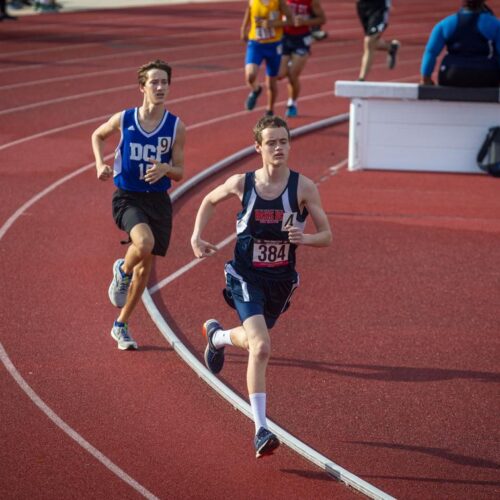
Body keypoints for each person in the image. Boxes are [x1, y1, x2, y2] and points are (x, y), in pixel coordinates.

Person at [191, 115, 332, 458]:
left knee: (255, 340)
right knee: (262, 347)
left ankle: (218, 337)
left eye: (283, 141)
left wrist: (307, 238)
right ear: (258, 148)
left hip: (280, 281)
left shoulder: (303, 187)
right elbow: (209, 200)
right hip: (245, 275)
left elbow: (327, 236)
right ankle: (261, 430)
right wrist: (197, 236)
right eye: (271, 142)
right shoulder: (243, 184)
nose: (279, 147)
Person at [91, 60, 185, 350]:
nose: (160, 87)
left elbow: (179, 171)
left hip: (157, 200)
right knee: (143, 243)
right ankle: (122, 270)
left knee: (145, 271)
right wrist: (100, 164)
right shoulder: (125, 118)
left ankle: (121, 324)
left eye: (164, 83)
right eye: (154, 82)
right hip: (128, 196)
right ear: (141, 87)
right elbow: (98, 135)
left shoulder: (175, 126)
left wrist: (165, 169)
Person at [420, 0, 500, 87]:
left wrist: (426, 78)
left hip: (452, 75)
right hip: (485, 75)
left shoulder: (445, 24)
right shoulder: (494, 24)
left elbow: (431, 52)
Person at [241, 0, 294, 116]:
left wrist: (273, 24)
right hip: (256, 44)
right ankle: (256, 90)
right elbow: (249, 11)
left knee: (271, 82)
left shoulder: (278, 2)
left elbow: (291, 21)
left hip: (274, 45)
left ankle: (269, 110)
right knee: (250, 75)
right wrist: (243, 28)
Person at [278, 0, 327, 117]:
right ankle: (289, 65)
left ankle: (292, 103)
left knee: (293, 75)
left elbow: (322, 19)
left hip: (301, 40)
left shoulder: (311, 1)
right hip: (284, 37)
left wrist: (305, 22)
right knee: (280, 74)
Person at [356, 0, 400, 81]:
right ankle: (391, 48)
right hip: (362, 5)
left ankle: (361, 79)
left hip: (379, 6)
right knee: (371, 43)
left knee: (369, 41)